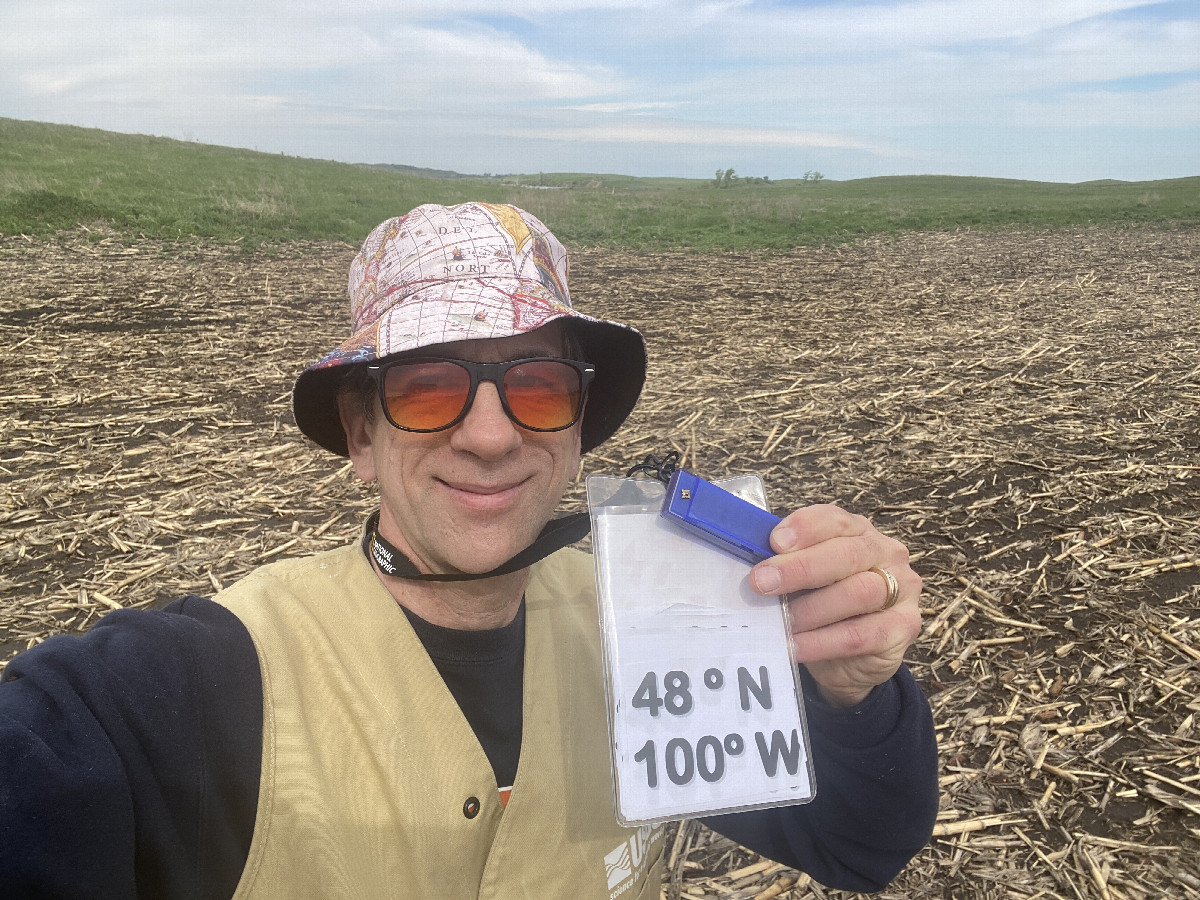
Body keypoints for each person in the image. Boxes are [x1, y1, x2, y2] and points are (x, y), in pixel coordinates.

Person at [0, 202, 938, 899]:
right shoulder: (186, 687)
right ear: (362, 437)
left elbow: (862, 844)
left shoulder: (661, 627)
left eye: (534, 386)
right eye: (427, 385)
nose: (491, 436)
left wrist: (851, 688)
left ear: (577, 432)